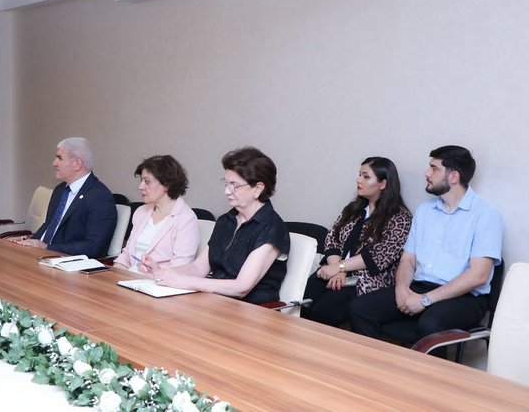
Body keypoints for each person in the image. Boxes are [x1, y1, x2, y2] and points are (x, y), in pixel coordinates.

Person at [349, 146, 502, 344]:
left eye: (434, 168)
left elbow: (478, 276)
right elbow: (408, 259)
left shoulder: (485, 214)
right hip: (419, 287)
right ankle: (378, 362)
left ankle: (426, 367)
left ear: (453, 176)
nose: (427, 173)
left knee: (431, 324)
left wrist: (425, 300)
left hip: (464, 297)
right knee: (360, 308)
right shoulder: (425, 210)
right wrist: (401, 289)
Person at [146, 147, 290, 304]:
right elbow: (199, 268)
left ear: (258, 189)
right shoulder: (225, 221)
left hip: (251, 309)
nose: (227, 191)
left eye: (234, 185)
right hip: (214, 301)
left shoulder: (272, 228)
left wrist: (184, 281)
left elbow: (241, 287)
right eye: (226, 184)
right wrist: (163, 273)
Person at [300, 157, 412, 326]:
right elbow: (332, 238)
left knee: (323, 312)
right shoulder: (353, 209)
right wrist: (337, 269)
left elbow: (379, 256)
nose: (359, 180)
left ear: (383, 184)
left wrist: (340, 268)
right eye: (359, 175)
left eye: (366, 177)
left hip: (365, 281)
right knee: (303, 304)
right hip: (334, 270)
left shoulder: (400, 217)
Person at [16, 137, 117, 258]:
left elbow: (93, 247)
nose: (54, 163)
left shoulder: (99, 197)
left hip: (67, 263)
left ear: (77, 164)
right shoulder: (60, 190)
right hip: (42, 256)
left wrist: (47, 247)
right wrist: (29, 240)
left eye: (60, 158)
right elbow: (49, 226)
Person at [113, 155, 200, 273]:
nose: (140, 187)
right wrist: (114, 273)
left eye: (147, 181)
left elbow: (180, 268)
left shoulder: (186, 219)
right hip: (130, 277)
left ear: (167, 184)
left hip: (158, 281)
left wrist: (154, 273)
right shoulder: (141, 212)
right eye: (141, 181)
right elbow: (127, 255)